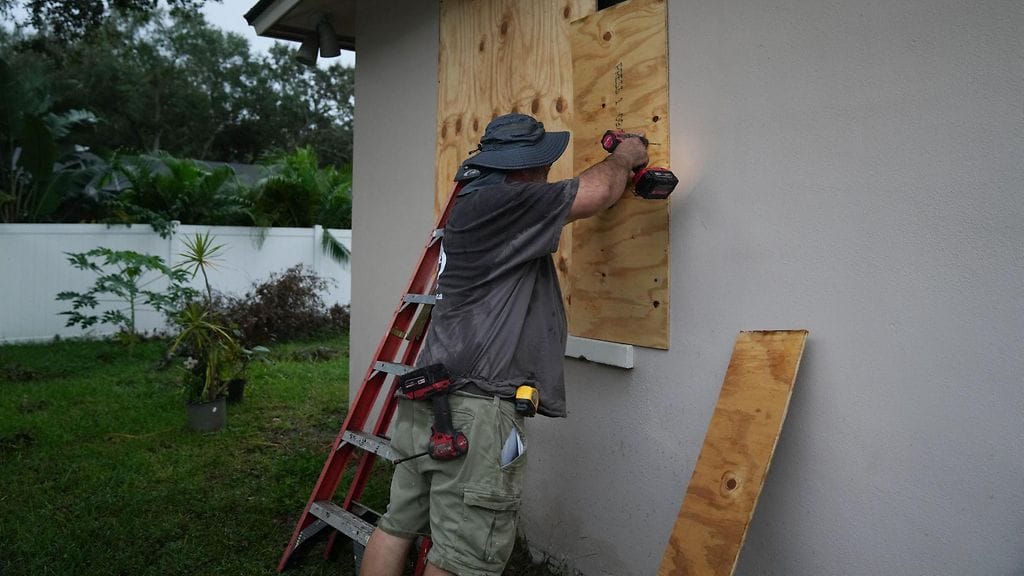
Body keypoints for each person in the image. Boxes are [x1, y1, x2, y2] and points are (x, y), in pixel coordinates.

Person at [359, 113, 649, 576]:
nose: (547, 174)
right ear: (524, 170)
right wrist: (625, 156)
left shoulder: (471, 206)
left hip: (428, 399)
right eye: (542, 165)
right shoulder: (504, 203)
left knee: (398, 524)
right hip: (473, 412)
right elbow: (597, 192)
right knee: (462, 556)